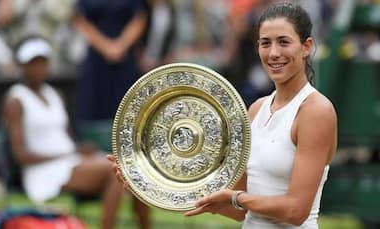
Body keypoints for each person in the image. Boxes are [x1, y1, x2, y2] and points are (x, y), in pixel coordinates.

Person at [109, 2, 338, 228]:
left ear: (306, 46)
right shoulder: (257, 109)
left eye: (284, 42)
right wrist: (146, 184)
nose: (274, 53)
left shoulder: (316, 112)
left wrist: (235, 198)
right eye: (265, 43)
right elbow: (240, 211)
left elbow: (296, 210)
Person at [2, 36, 123, 229]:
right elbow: (20, 155)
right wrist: (67, 154)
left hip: (69, 162)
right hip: (43, 173)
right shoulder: (16, 100)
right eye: (32, 63)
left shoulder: (54, 94)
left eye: (42, 62)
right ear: (22, 65)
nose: (38, 68)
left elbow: (65, 137)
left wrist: (79, 149)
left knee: (131, 170)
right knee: (115, 170)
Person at [72, 1, 151, 228]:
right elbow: (80, 19)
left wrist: (121, 45)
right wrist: (106, 46)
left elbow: (139, 16)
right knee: (107, 155)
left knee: (135, 156)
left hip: (125, 65)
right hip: (97, 68)